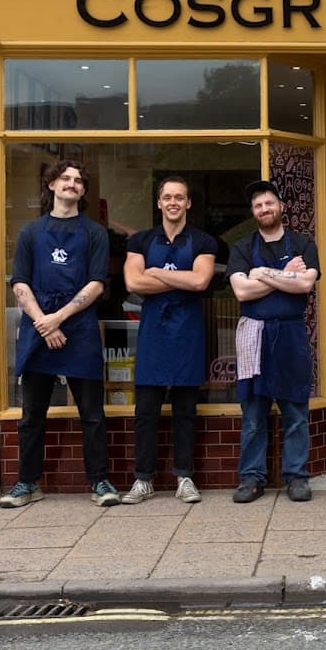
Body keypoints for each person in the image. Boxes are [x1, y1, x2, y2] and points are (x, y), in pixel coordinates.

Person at [2, 160, 120, 508]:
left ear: (83, 191)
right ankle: (27, 483)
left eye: (78, 180)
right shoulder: (30, 232)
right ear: (51, 185)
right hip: (38, 326)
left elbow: (96, 284)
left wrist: (58, 319)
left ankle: (100, 481)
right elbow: (19, 283)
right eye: (65, 178)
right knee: (32, 415)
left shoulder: (95, 233)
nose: (72, 183)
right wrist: (44, 322)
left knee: (92, 413)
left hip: (79, 327)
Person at [121, 176, 218, 505]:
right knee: (145, 412)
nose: (173, 202)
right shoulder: (141, 240)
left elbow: (200, 281)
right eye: (167, 197)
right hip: (153, 333)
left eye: (179, 197)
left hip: (188, 333)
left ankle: (185, 478)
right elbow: (133, 282)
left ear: (188, 203)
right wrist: (181, 278)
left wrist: (156, 272)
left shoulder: (203, 241)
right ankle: (143, 479)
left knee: (185, 411)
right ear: (159, 202)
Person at [227, 180, 320, 503]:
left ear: (281, 206)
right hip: (254, 334)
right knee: (253, 415)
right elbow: (242, 291)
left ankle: (296, 476)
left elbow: (305, 285)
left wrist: (262, 272)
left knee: (296, 412)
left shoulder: (303, 244)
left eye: (269, 203)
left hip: (291, 335)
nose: (264, 209)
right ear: (253, 212)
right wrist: (284, 273)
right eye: (258, 205)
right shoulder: (242, 247)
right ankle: (251, 478)